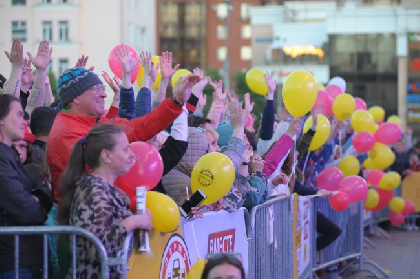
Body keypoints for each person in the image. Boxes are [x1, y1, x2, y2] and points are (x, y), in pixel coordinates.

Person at [47, 64, 195, 201]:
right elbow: (100, 178)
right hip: (90, 219)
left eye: (102, 88)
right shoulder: (66, 133)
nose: (104, 95)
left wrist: (176, 102)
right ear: (75, 97)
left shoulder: (95, 121)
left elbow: (138, 128)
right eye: (97, 89)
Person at [58, 124, 152, 278]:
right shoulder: (93, 190)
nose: (131, 155)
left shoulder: (101, 188)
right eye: (125, 149)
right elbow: (94, 247)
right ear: (106, 156)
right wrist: (133, 222)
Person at [0, 94, 53, 278]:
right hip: (14, 262)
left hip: (26, 260)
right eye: (19, 115)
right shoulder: (2, 160)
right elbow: (25, 208)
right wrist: (37, 201)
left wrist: (38, 197)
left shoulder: (9, 156)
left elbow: (45, 189)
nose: (24, 122)